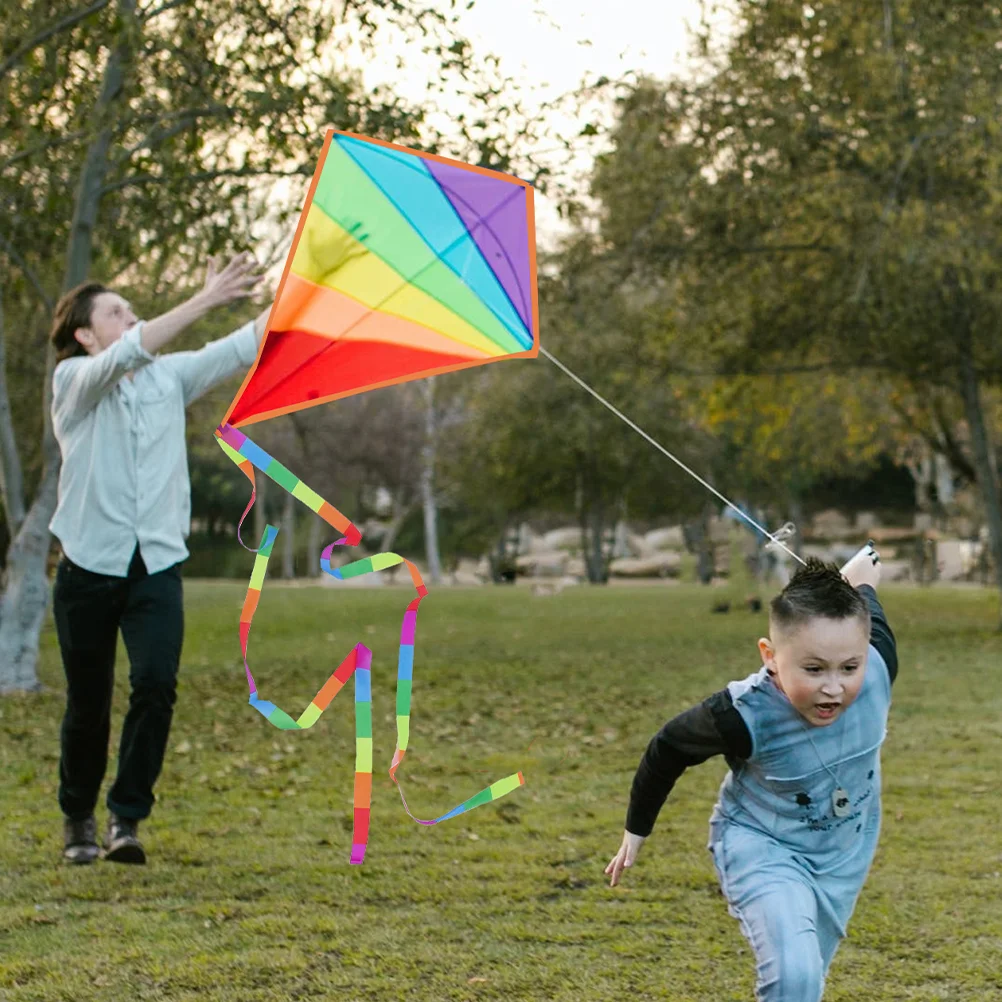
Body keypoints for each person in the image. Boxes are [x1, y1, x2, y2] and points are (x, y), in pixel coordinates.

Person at [49, 252, 269, 865]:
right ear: (86, 335)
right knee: (87, 703)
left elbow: (245, 344)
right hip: (88, 569)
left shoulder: (169, 377)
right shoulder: (73, 382)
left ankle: (126, 818)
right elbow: (130, 352)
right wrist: (204, 299)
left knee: (155, 685)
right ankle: (77, 820)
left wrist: (317, 285)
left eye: (130, 308)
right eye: (115, 312)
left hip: (156, 566)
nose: (130, 315)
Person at [606, 545, 897, 1002]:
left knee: (806, 985)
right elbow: (668, 748)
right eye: (813, 668)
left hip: (842, 856)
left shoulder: (879, 664)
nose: (833, 687)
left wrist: (860, 577)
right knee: (795, 977)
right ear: (770, 655)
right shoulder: (743, 714)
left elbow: (867, 601)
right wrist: (636, 829)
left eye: (849, 667)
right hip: (762, 844)